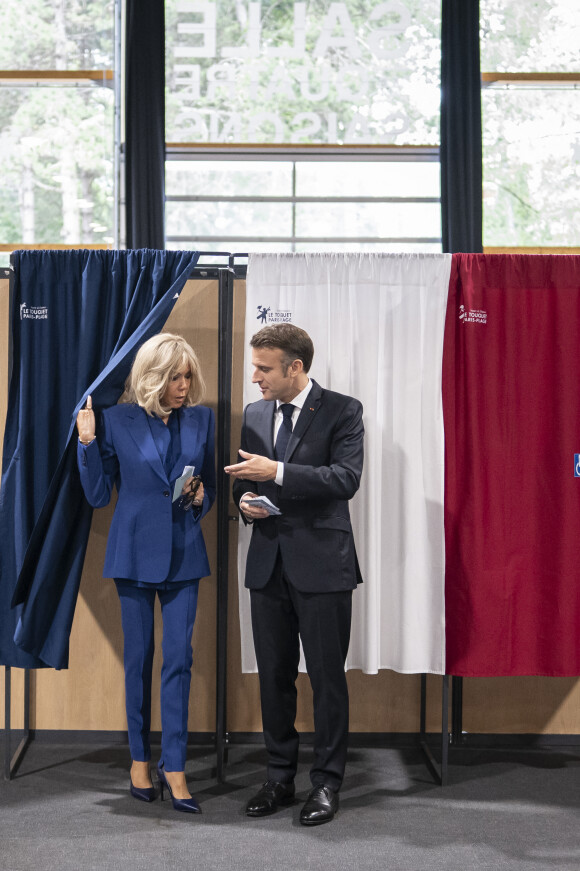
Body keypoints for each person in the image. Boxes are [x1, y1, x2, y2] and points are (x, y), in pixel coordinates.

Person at [225, 323, 364, 826]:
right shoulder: (256, 413)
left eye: (264, 368)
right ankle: (280, 777)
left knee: (327, 680)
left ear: (295, 367)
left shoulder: (343, 410)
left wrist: (276, 473)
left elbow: (345, 479)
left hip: (324, 567)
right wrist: (246, 503)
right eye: (255, 367)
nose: (255, 377)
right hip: (267, 566)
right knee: (274, 679)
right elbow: (245, 484)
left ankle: (326, 783)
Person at [76, 333, 215, 815]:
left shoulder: (202, 418)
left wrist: (200, 500)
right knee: (137, 660)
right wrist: (88, 441)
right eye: (176, 377)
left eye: (188, 376)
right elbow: (97, 495)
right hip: (133, 556)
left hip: (184, 556)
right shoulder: (116, 420)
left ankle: (173, 766)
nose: (184, 385)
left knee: (178, 660)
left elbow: (207, 486)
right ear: (153, 377)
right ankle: (139, 758)